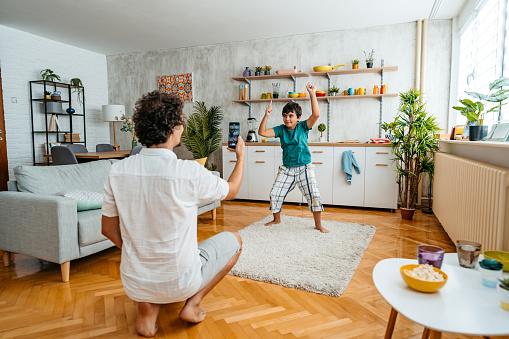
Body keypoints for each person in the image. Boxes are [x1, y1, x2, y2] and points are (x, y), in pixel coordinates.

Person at [101, 91, 245, 337]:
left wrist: (142, 252)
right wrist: (241, 157)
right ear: (175, 128)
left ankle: (147, 314)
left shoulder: (117, 171)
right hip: (181, 281)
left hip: (135, 282)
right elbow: (231, 191)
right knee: (235, 241)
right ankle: (192, 304)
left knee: (147, 267)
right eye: (181, 120)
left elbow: (108, 229)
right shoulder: (188, 171)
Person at [258, 82, 328, 233]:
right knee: (275, 193)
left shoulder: (303, 126)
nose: (287, 119)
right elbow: (262, 132)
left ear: (298, 117)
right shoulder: (280, 129)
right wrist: (267, 114)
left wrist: (312, 93)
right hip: (287, 169)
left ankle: (318, 225)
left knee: (314, 195)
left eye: (291, 116)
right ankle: (276, 220)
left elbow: (316, 114)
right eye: (285, 116)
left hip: (304, 168)